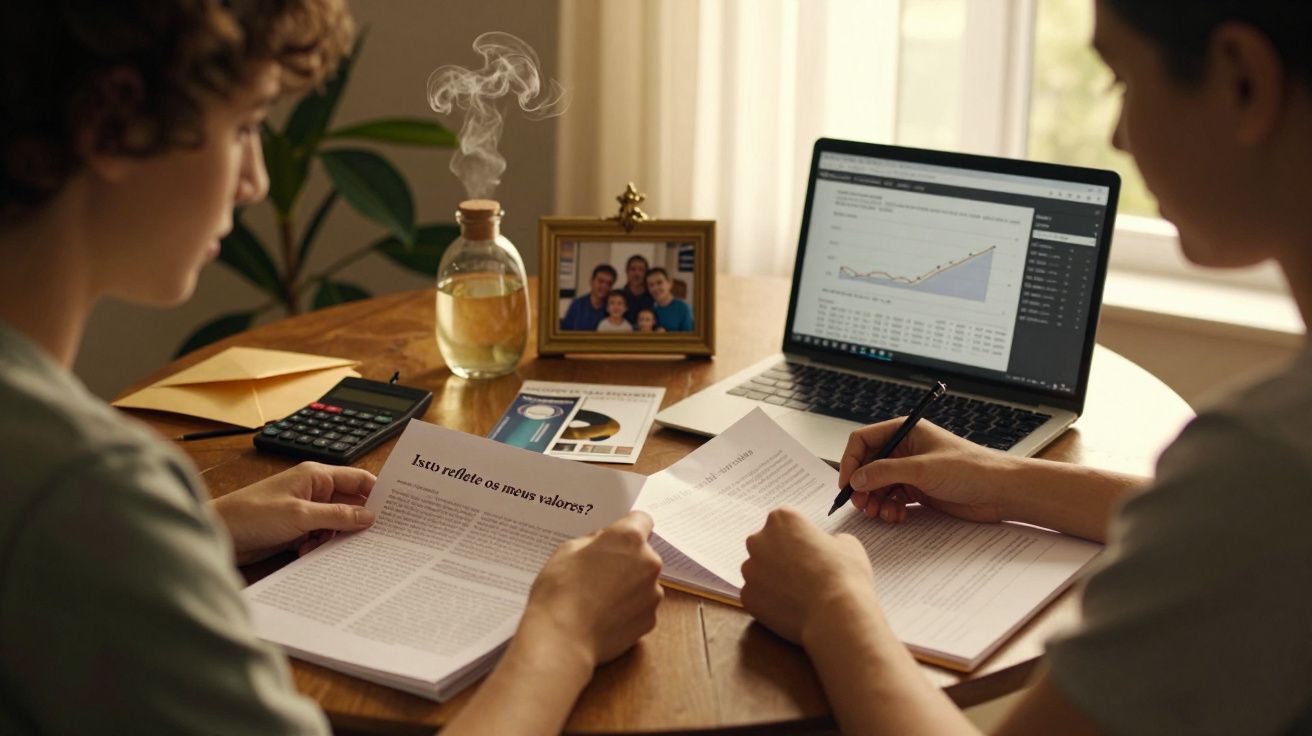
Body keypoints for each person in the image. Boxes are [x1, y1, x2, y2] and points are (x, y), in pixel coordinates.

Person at [0, 3, 663, 734]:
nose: (254, 181)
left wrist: (197, 533)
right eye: (246, 125)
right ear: (111, 125)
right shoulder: (88, 485)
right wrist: (563, 632)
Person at [739, 2, 1312, 734]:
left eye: (1120, 82)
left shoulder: (1266, 462)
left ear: (1243, 82)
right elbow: (1234, 525)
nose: (1118, 136)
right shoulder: (1266, 478)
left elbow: (1246, 506)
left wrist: (832, 604)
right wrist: (1001, 480)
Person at [559, 263, 617, 331]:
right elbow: (565, 331)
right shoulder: (577, 304)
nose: (604, 286)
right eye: (600, 281)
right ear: (592, 281)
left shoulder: (613, 307)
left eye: (609, 283)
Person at [645, 267, 694, 332]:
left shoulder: (684, 308)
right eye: (651, 285)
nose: (655, 288)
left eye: (659, 283)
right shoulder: (649, 308)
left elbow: (689, 339)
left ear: (670, 283)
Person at [620, 254, 654, 322]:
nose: (637, 273)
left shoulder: (653, 296)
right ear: (627, 272)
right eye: (633, 269)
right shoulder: (619, 296)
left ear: (646, 273)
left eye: (641, 270)